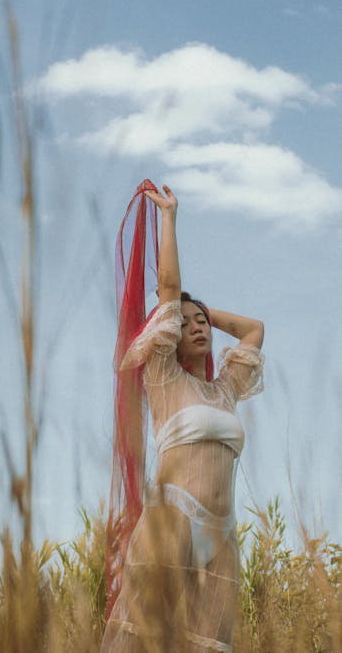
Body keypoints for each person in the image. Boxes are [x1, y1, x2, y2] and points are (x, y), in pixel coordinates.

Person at [100, 181, 264, 652]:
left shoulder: (225, 391)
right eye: (186, 322)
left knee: (209, 645)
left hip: (223, 533)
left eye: (202, 324)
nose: (196, 328)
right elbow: (168, 288)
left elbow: (254, 329)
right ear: (168, 332)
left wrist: (208, 311)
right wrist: (169, 219)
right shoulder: (165, 377)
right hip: (172, 520)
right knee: (147, 639)